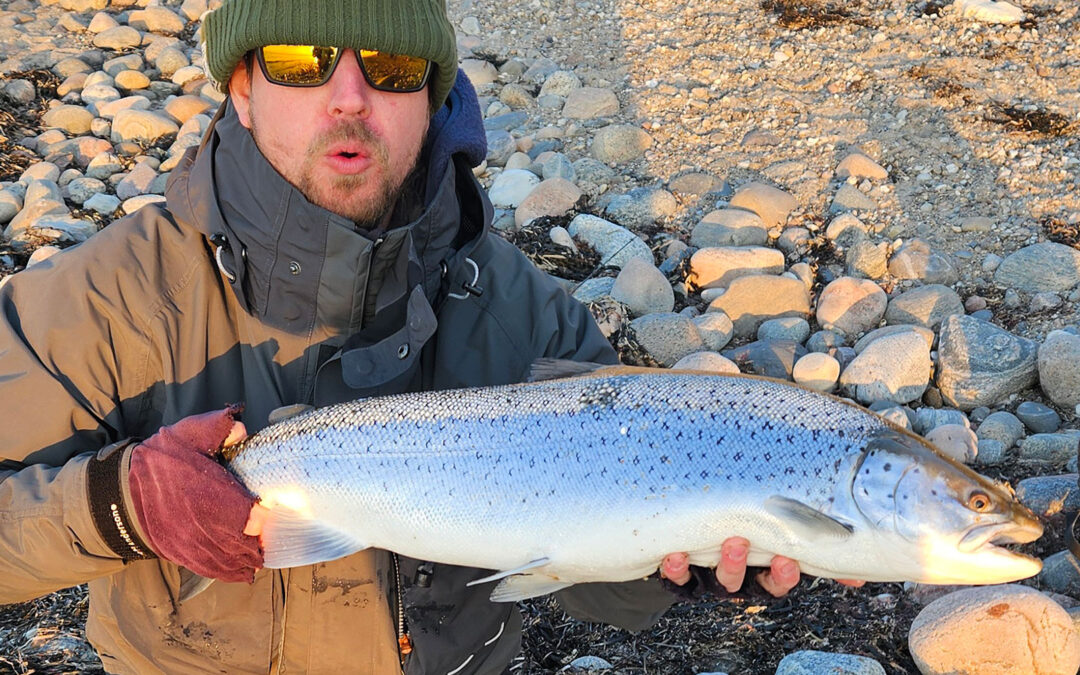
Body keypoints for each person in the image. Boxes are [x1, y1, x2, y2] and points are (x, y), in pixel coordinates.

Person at [0, 1, 831, 672]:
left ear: (432, 103)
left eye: (392, 69)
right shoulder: (104, 302)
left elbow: (588, 587)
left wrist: (672, 560)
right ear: (241, 89)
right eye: (301, 58)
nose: (350, 96)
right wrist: (119, 504)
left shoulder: (530, 316)